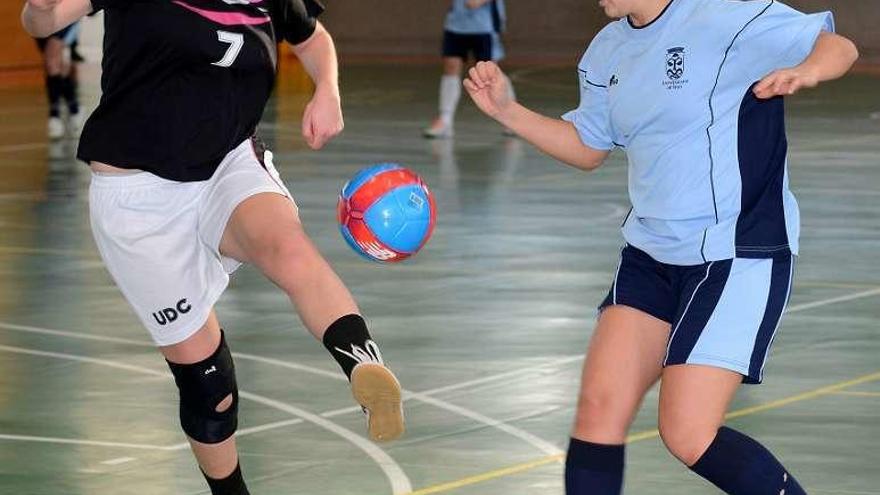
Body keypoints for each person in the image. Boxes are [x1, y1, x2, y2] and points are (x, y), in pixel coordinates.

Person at [462, 0, 858, 493]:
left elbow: (838, 46)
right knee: (598, 411)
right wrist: (508, 111)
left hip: (734, 250)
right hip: (651, 253)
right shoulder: (607, 50)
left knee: (688, 432)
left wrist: (806, 71)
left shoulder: (725, 16)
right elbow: (589, 147)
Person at [21, 1, 404, 494]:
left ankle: (364, 364)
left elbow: (312, 39)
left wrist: (328, 90)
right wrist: (39, 8)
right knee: (208, 386)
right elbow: (42, 20)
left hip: (228, 161)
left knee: (286, 246)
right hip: (137, 198)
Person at [423, 0, 515, 138]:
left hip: (484, 28)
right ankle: (445, 120)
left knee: (490, 72)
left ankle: (511, 118)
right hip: (455, 25)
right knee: (451, 66)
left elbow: (473, 3)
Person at [34, 21, 82, 139]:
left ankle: (54, 116)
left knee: (52, 63)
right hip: (40, 17)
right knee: (58, 67)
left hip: (63, 18)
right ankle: (74, 108)